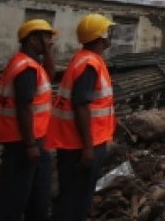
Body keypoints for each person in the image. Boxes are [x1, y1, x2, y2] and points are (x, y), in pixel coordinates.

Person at [47, 14, 116, 221]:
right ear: (101, 37)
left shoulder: (86, 60)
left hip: (80, 141)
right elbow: (81, 105)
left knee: (75, 195)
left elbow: (94, 102)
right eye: (107, 32)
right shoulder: (89, 64)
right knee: (75, 198)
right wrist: (87, 147)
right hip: (81, 144)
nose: (110, 36)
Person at [0, 19, 56, 221]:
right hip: (22, 142)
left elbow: (50, 75)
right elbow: (23, 106)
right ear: (33, 40)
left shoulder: (33, 65)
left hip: (33, 140)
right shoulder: (25, 68)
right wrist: (30, 144)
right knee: (13, 197)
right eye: (46, 38)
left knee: (37, 194)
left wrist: (48, 51)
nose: (51, 42)